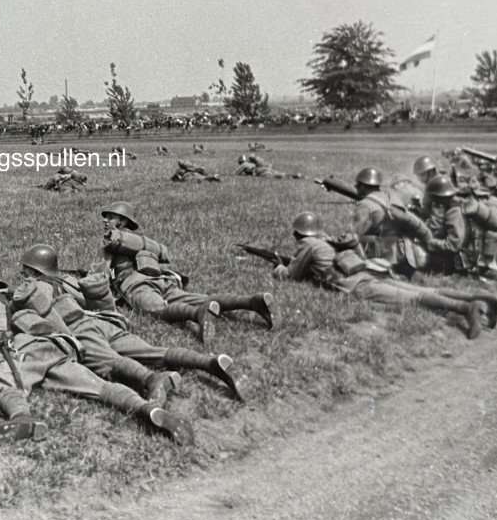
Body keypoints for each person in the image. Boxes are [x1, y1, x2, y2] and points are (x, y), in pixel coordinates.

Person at [0, 258, 195, 446]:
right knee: (100, 387)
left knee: (4, 385)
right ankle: (146, 409)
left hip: (23, 352)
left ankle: (22, 418)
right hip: (55, 345)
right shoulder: (16, 296)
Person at [17, 244, 242, 401]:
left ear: (35, 271)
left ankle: (153, 379)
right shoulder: (69, 280)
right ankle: (208, 362)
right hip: (103, 323)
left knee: (111, 362)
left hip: (80, 330)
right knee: (152, 351)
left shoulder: (37, 288)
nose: (22, 275)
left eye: (25, 271)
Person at [271, 211, 497, 340]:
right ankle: (474, 298)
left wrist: (278, 267)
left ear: (297, 233)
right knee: (422, 290)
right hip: (370, 271)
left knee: (412, 298)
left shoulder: (307, 244)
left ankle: (465, 308)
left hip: (358, 284)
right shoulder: (326, 239)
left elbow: (291, 276)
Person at [100, 202, 273, 335]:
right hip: (161, 279)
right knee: (198, 298)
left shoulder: (110, 241)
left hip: (136, 285)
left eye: (110, 217)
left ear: (123, 220)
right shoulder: (138, 240)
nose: (105, 220)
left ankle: (197, 314)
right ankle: (252, 302)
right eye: (106, 217)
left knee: (156, 309)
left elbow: (100, 273)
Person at [234, 154, 303, 179]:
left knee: (276, 176)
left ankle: (295, 176)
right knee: (279, 173)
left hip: (260, 171)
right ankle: (296, 175)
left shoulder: (244, 164)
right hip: (265, 168)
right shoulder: (250, 163)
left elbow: (236, 173)